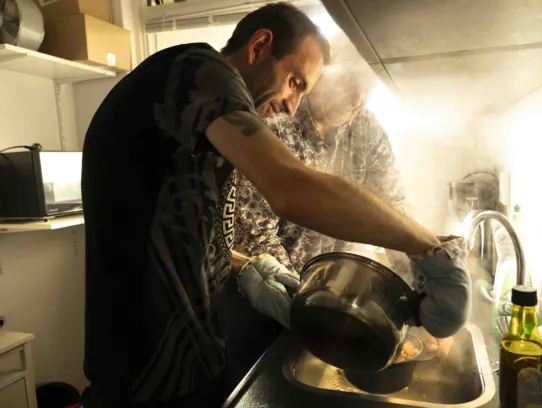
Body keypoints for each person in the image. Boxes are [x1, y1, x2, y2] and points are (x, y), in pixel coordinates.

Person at [81, 2, 443, 408]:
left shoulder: (208, 124)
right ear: (259, 46)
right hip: (145, 362)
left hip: (193, 353)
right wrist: (427, 246)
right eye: (295, 82)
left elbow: (187, 229)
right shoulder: (196, 70)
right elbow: (290, 190)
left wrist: (249, 266)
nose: (292, 104)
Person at [229, 65, 456, 386]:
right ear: (322, 73)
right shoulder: (275, 120)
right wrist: (316, 306)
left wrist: (421, 298)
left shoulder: (366, 128)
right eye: (351, 84)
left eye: (369, 88)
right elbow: (256, 236)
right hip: (265, 305)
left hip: (331, 306)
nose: (359, 99)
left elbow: (394, 210)